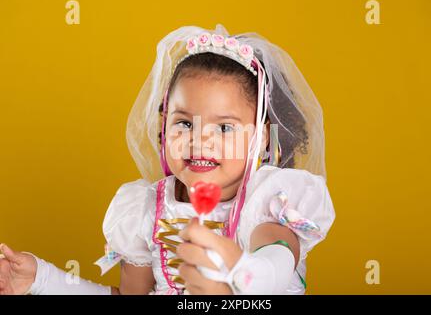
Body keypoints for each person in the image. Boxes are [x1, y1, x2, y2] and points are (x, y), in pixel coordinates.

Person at [0, 24, 335, 295]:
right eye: (185, 123)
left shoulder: (269, 204)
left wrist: (242, 274)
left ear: (260, 138)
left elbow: (274, 261)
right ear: (164, 127)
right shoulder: (144, 210)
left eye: (224, 128)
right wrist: (42, 279)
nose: (200, 140)